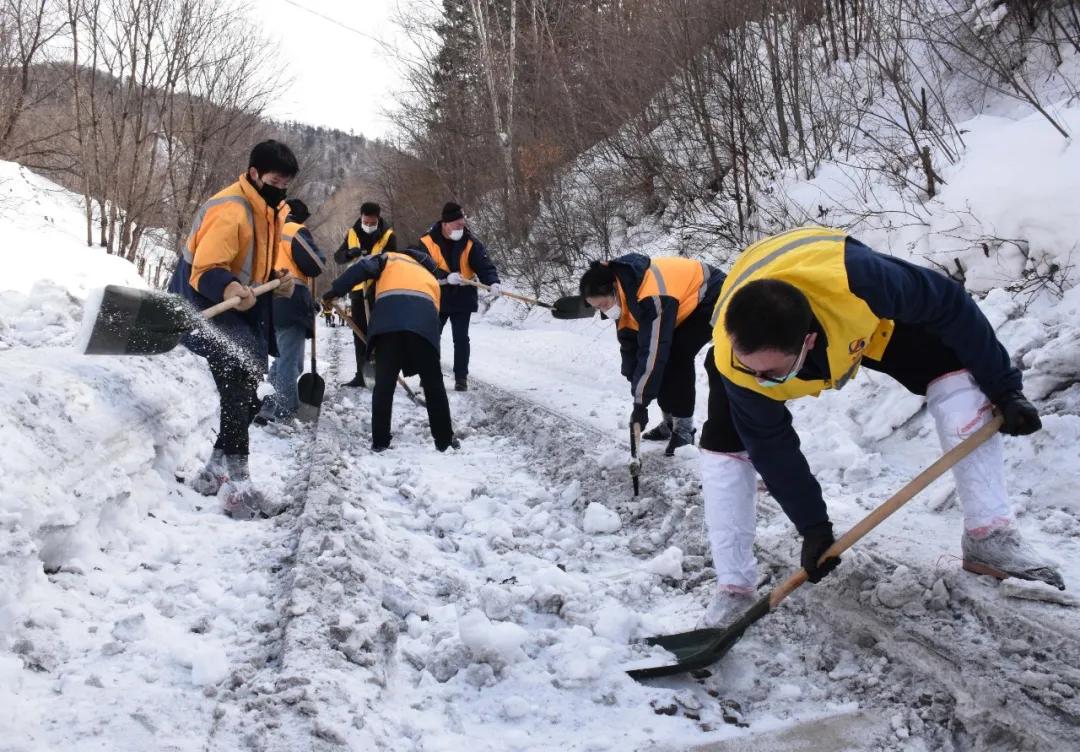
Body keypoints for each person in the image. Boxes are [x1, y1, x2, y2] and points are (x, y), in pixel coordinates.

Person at [698, 226, 1063, 626]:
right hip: (763, 316)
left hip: (847, 313)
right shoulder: (738, 367)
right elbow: (772, 446)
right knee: (725, 445)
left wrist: (1005, 390)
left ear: (808, 343)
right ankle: (733, 587)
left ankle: (989, 538)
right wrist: (814, 527)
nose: (759, 378)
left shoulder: (864, 280)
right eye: (751, 367)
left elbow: (952, 306)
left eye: (770, 372)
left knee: (961, 373)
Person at [167, 140, 298, 520]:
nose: (281, 188)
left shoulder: (270, 209)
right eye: (275, 180)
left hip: (239, 306)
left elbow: (255, 262)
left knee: (251, 382)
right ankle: (238, 487)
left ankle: (213, 474)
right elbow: (207, 268)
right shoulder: (232, 208)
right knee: (241, 380)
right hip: (203, 302)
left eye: (286, 183)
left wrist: (276, 278)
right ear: (254, 174)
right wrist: (229, 288)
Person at [579, 255, 725, 455]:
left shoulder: (650, 295)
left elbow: (654, 353)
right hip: (678, 302)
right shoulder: (623, 296)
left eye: (603, 305)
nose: (603, 311)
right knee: (656, 362)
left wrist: (642, 404)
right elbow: (631, 351)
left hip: (710, 295)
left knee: (676, 356)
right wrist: (637, 391)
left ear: (614, 288)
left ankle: (683, 429)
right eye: (597, 308)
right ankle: (669, 422)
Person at [322, 247, 459, 453]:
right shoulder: (429, 275)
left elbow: (361, 269)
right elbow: (435, 312)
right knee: (434, 384)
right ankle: (444, 440)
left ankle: (380, 441)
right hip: (423, 326)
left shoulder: (389, 258)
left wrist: (334, 291)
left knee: (384, 384)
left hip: (389, 324)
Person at [417, 202, 501, 392]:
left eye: (462, 225)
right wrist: (445, 278)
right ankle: (428, 374)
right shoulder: (427, 242)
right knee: (431, 337)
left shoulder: (471, 242)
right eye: (456, 225)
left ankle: (461, 377)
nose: (460, 229)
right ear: (445, 224)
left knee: (461, 338)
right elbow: (422, 268)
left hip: (462, 296)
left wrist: (493, 282)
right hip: (436, 297)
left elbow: (484, 265)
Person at [256, 198, 326, 423]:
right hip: (289, 296)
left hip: (267, 297)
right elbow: (315, 263)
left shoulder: (267, 229)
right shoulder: (294, 229)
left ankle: (268, 404)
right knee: (288, 359)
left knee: (283, 356)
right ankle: (284, 409)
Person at [334, 202, 397, 387]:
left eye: (372, 222)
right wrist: (349, 253)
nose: (368, 225)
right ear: (361, 218)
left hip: (379, 290)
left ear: (378, 219)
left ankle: (381, 374)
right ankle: (361, 374)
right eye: (365, 222)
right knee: (359, 333)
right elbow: (337, 257)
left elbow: (392, 261)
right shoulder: (352, 233)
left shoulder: (388, 236)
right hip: (357, 290)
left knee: (380, 334)